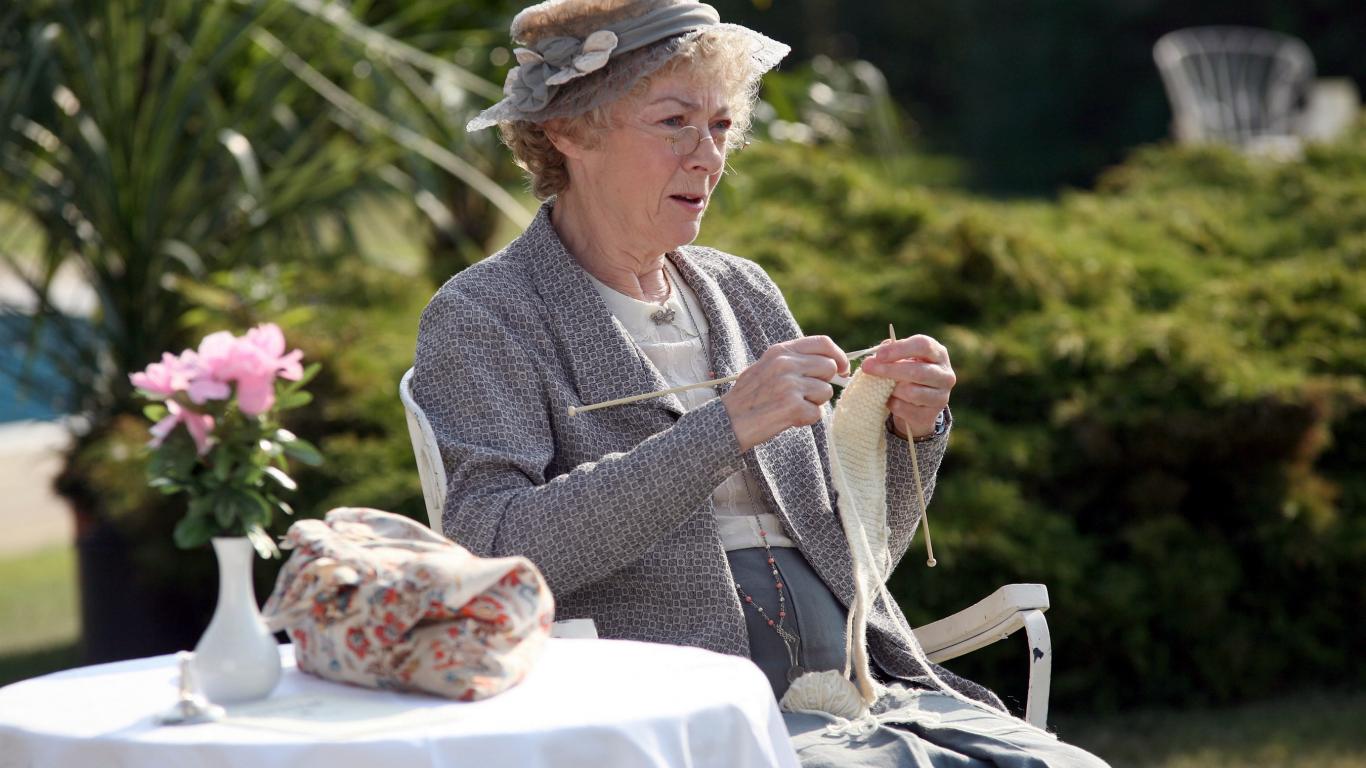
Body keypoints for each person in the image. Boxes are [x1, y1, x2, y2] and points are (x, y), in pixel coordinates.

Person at [412, 1, 1108, 765]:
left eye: (719, 126)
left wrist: (905, 433)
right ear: (569, 131)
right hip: (689, 717)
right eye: (674, 122)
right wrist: (723, 428)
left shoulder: (742, 291)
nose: (707, 157)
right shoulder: (487, 314)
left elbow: (858, 551)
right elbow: (491, 548)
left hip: (867, 686)